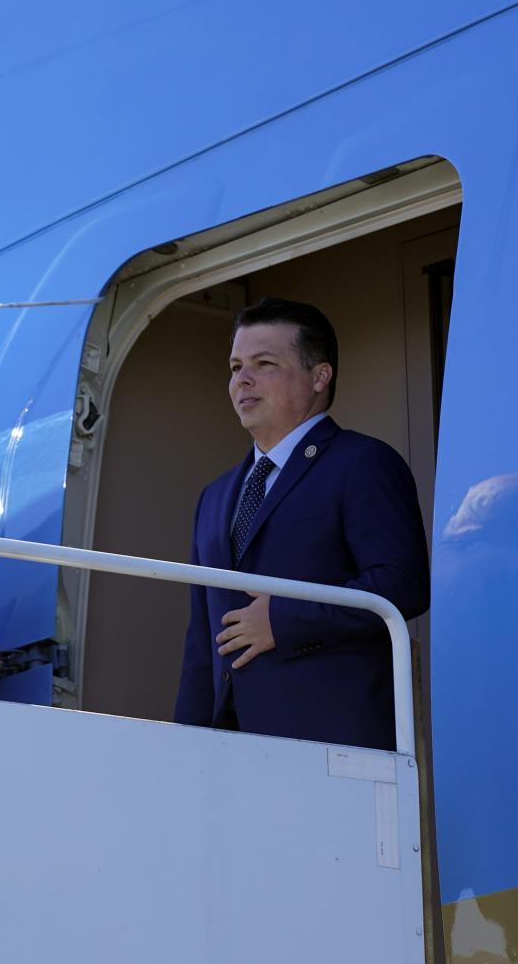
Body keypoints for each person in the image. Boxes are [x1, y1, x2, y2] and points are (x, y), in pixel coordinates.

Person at [172, 298, 429, 750]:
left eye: (264, 363)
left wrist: (285, 620)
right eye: (235, 367)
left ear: (319, 376)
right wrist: (187, 741)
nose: (242, 380)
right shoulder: (214, 496)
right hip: (229, 747)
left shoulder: (364, 463)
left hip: (333, 740)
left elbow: (401, 583)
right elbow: (202, 640)